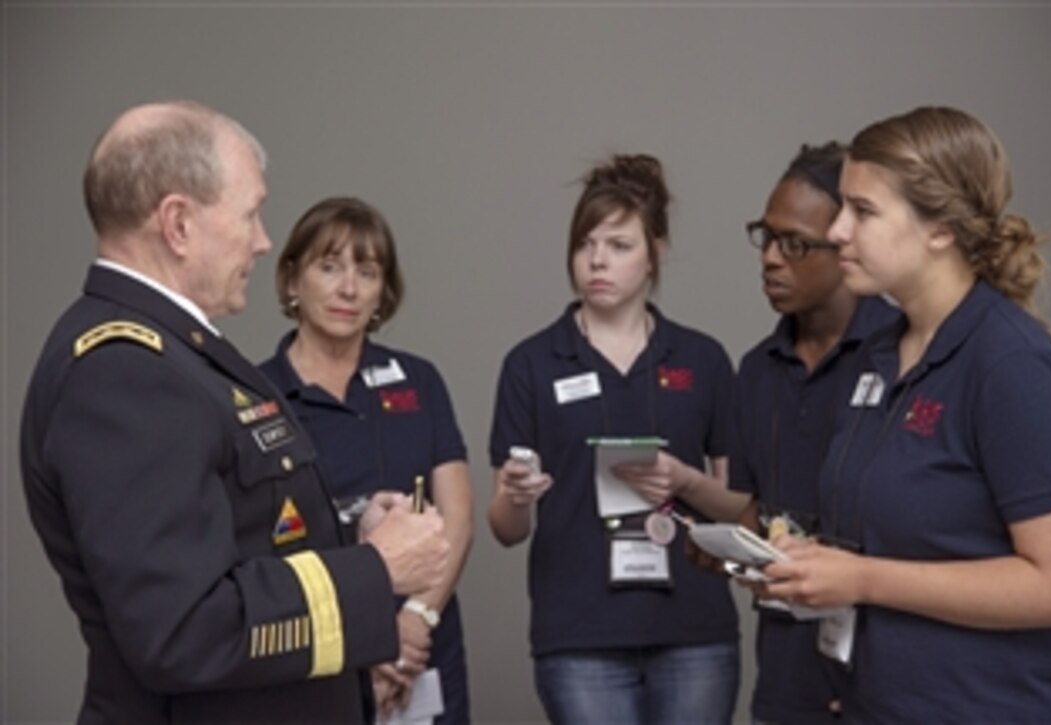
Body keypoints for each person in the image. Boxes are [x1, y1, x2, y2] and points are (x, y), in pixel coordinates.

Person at [19, 100, 450, 725]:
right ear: (178, 224)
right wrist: (375, 569)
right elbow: (185, 629)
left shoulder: (175, 353)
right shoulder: (125, 372)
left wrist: (352, 540)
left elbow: (232, 536)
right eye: (250, 214)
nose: (263, 240)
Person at [761, 106, 1051, 722]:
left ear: (939, 229)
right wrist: (807, 571)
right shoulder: (879, 352)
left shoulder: (1010, 363)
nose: (836, 232)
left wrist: (862, 579)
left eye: (863, 211)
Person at [488, 153, 750, 724]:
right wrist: (513, 496)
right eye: (585, 244)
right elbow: (507, 532)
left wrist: (685, 480)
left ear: (654, 253)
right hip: (578, 635)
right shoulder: (531, 364)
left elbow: (738, 513)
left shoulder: (703, 360)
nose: (597, 260)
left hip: (694, 630)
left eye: (619, 245)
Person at [259, 196, 474, 723]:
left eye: (367, 271)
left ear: (384, 291)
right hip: (319, 654)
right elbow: (258, 551)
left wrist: (416, 622)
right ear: (292, 279)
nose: (348, 289)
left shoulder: (419, 382)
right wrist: (372, 637)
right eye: (328, 266)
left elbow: (459, 519)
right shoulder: (256, 396)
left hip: (424, 646)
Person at [727, 142, 898, 724]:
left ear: (847, 243)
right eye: (765, 236)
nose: (771, 258)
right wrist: (723, 543)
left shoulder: (904, 357)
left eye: (795, 244)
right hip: (786, 669)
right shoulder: (755, 369)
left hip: (888, 666)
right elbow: (757, 509)